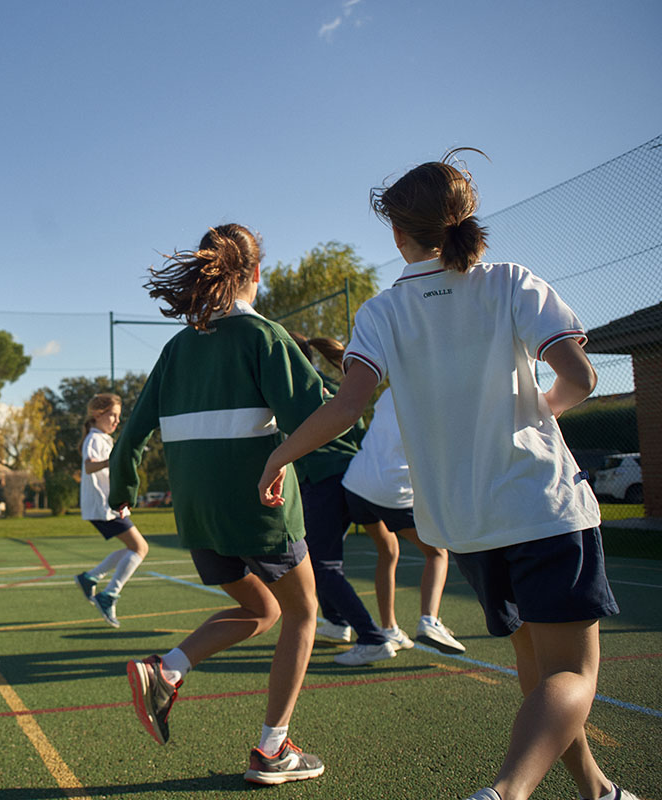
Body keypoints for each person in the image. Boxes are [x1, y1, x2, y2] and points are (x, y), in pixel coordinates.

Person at [258, 150, 635, 800]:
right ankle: (507, 791)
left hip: (464, 526)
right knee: (571, 674)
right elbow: (581, 376)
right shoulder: (511, 282)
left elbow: (346, 407)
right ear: (465, 218)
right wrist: (540, 410)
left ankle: (597, 790)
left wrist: (279, 456)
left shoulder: (382, 311)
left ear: (398, 234)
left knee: (535, 665)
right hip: (541, 506)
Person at [110, 224, 324, 786]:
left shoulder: (177, 347)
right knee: (303, 613)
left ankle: (167, 670)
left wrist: (121, 492)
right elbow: (318, 417)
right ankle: (273, 750)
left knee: (262, 611)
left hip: (197, 515)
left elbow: (132, 434)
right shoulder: (265, 337)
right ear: (256, 273)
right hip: (257, 507)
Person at [289, 334, 401, 665]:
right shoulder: (331, 386)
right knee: (319, 556)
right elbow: (359, 429)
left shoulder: (292, 389)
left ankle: (373, 638)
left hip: (323, 481)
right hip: (352, 478)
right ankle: (338, 623)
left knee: (322, 565)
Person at [340, 386, 466, 654]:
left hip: (357, 484)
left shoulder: (392, 390)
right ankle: (429, 620)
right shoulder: (442, 400)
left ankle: (389, 628)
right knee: (437, 553)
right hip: (392, 491)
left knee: (388, 550)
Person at [74, 393, 148, 628]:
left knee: (133, 548)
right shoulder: (94, 438)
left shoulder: (104, 438)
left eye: (118, 416)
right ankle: (108, 594)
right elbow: (89, 466)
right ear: (98, 414)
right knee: (140, 548)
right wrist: (112, 461)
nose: (116, 421)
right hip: (103, 507)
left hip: (109, 505)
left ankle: (90, 578)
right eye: (112, 415)